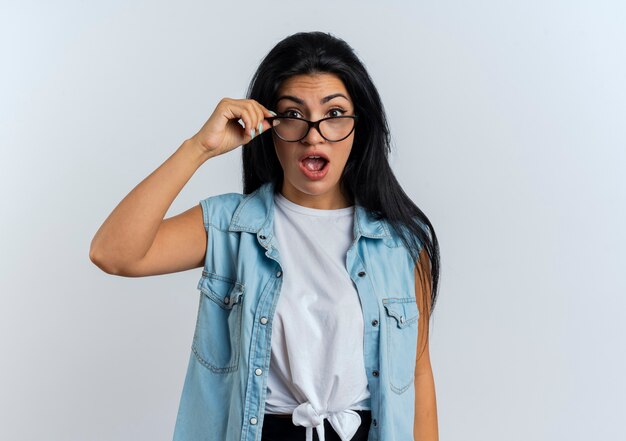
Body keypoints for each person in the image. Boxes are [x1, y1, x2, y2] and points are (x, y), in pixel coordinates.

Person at [90, 31, 440, 441]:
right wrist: (200, 147)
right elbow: (113, 253)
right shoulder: (229, 226)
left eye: (334, 114)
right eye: (293, 114)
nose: (314, 134)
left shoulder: (402, 243)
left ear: (358, 128)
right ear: (268, 126)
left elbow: (417, 375)